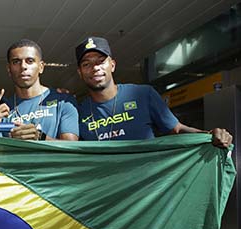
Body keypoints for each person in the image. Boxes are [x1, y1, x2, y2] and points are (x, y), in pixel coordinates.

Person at [75, 36, 232, 147]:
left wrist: (209, 135)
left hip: (148, 189)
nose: (95, 68)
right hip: (105, 190)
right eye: (86, 64)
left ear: (113, 65)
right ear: (80, 73)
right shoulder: (78, 112)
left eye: (101, 61)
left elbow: (176, 129)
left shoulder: (143, 95)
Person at [0, 39, 79, 141]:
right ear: (9, 69)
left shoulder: (63, 101)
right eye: (16, 62)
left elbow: (72, 148)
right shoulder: (3, 109)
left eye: (30, 61)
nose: (23, 66)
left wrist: (40, 137)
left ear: (41, 67)